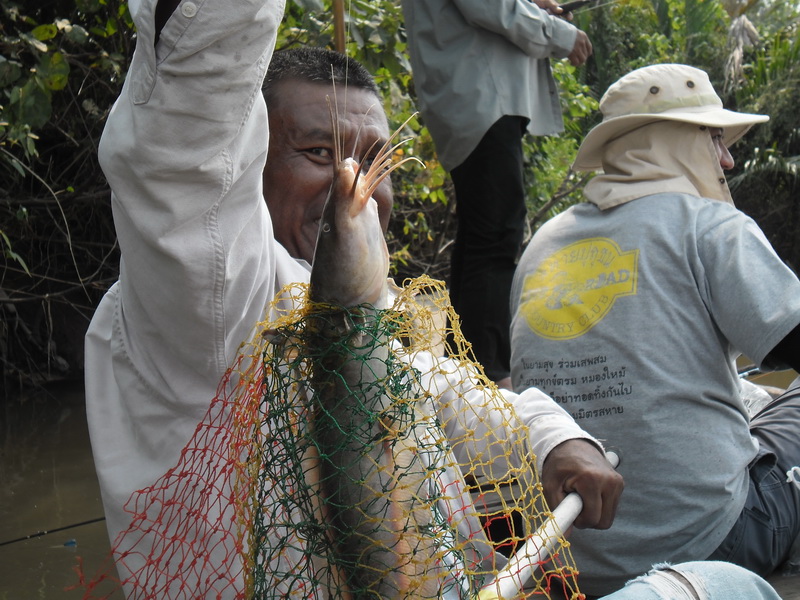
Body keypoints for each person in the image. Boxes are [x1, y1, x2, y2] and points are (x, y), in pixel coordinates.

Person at [83, 0, 622, 596]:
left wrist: (548, 434)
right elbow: (187, 133)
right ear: (248, 164)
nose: (353, 179)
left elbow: (443, 387)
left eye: (378, 162)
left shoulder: (361, 318)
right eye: (318, 152)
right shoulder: (217, 292)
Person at [509, 63, 800, 597]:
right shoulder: (709, 226)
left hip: (569, 562)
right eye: (716, 139)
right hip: (709, 542)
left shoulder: (542, 245)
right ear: (677, 141)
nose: (729, 160)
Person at [400, 0, 593, 389]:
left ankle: (467, 366)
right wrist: (559, 33)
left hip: (476, 95)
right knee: (495, 235)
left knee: (481, 236)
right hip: (481, 95)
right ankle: (489, 374)